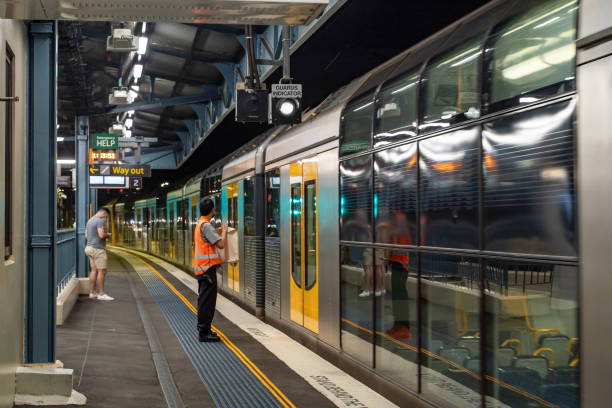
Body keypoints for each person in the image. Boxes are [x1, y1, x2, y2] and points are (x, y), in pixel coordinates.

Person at [194, 198, 227, 342]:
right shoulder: (206, 225)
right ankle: (204, 332)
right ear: (212, 210)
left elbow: (208, 243)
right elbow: (220, 245)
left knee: (204, 300)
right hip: (207, 270)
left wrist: (217, 232)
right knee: (207, 302)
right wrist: (224, 232)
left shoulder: (200, 223)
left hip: (203, 268)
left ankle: (204, 329)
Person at [85, 208, 113, 301]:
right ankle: (101, 294)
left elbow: (86, 236)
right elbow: (101, 235)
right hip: (98, 249)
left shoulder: (90, 220)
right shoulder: (100, 221)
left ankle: (92, 292)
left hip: (89, 248)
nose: (105, 218)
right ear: (103, 213)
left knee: (94, 270)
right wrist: (108, 235)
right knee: (102, 271)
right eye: (105, 216)